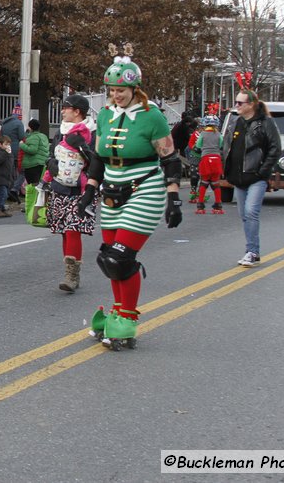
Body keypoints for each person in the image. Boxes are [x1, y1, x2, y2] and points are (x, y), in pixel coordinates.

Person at [82, 53, 182, 350]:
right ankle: (117, 310)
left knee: (120, 257)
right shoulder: (105, 115)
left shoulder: (152, 117)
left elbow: (170, 157)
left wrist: (173, 197)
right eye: (111, 91)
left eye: (121, 91)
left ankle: (127, 319)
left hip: (144, 188)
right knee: (108, 258)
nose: (116, 96)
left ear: (135, 89)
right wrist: (89, 190)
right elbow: (98, 157)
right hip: (112, 189)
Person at [42, 96, 97, 293]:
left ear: (77, 111)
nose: (62, 111)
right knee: (64, 231)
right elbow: (52, 153)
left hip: (81, 188)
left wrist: (82, 147)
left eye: (66, 108)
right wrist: (51, 164)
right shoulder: (60, 131)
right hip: (59, 187)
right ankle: (70, 272)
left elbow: (98, 162)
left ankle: (71, 275)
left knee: (73, 229)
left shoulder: (92, 132)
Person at [221, 89, 281, 267]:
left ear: (251, 104)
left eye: (240, 103)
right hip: (239, 178)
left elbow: (275, 148)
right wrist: (227, 169)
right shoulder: (236, 122)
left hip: (256, 177)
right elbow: (228, 147)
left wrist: (263, 171)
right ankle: (251, 250)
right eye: (236, 102)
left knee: (250, 212)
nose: (237, 106)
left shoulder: (265, 123)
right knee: (243, 215)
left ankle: (252, 251)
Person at [191, 115, 225, 214]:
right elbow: (221, 145)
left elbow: (198, 145)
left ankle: (200, 206)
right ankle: (218, 206)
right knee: (215, 183)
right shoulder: (219, 134)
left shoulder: (203, 134)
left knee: (204, 183)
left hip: (206, 159)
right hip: (216, 159)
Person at [0, 104, 25, 199]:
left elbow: (1, 136)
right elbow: (22, 137)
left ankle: (6, 190)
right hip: (15, 150)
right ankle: (13, 190)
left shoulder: (4, 123)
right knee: (15, 171)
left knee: (8, 170)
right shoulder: (19, 123)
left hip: (5, 149)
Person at [0, 135, 15, 217]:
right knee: (2, 193)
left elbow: (11, 165)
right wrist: (5, 153)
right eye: (6, 144)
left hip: (7, 177)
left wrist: (13, 176)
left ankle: (2, 208)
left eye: (9, 144)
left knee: (5, 194)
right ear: (0, 145)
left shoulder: (9, 154)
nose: (8, 146)